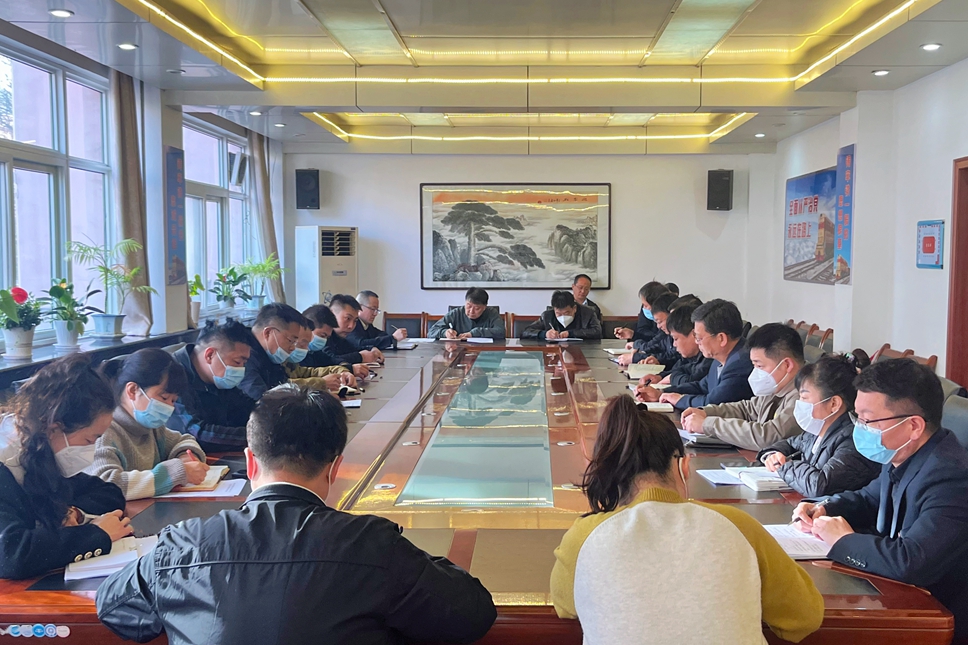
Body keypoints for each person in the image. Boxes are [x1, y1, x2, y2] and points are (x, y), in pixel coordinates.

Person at [97, 384, 497, 644]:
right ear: (335, 468)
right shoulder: (372, 545)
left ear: (250, 462)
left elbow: (112, 607)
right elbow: (471, 613)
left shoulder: (184, 545)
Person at [551, 395, 823, 643]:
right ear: (683, 466)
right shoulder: (738, 526)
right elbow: (804, 617)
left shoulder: (584, 536)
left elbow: (566, 606)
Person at [794, 359, 968, 640]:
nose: (860, 428)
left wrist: (843, 540)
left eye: (868, 420)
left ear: (913, 426)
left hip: (936, 620)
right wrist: (824, 506)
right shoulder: (903, 453)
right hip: (896, 598)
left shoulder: (951, 477)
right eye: (858, 417)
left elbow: (911, 561)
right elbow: (868, 498)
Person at [0, 355, 130, 580]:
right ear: (54, 428)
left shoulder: (45, 454)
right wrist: (95, 535)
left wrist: (73, 513)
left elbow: (109, 493)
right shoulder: (8, 462)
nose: (92, 449)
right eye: (90, 440)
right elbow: (11, 554)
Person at [88, 350, 208, 500]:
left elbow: (184, 440)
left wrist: (185, 458)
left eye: (173, 400)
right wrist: (175, 473)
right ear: (133, 390)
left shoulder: (151, 427)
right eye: (164, 397)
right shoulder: (104, 432)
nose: (169, 407)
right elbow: (107, 485)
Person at [758, 352, 879, 497]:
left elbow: (820, 485)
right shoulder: (815, 431)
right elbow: (789, 444)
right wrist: (772, 455)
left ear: (834, 404)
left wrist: (784, 466)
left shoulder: (853, 441)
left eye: (804, 397)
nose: (799, 404)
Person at [680, 323, 805, 450]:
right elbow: (747, 410)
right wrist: (705, 412)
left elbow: (768, 437)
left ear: (787, 365)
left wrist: (708, 425)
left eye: (760, 366)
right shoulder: (776, 386)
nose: (755, 372)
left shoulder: (804, 397)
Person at [169, 319, 255, 452]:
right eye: (237, 362)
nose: (241, 369)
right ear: (210, 355)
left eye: (244, 363)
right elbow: (196, 432)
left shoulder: (216, 375)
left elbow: (245, 407)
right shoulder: (171, 376)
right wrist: (258, 436)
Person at [658, 299, 753, 411]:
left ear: (721, 338)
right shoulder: (721, 357)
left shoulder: (740, 365)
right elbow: (701, 386)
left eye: (699, 338)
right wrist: (662, 393)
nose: (696, 342)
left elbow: (711, 403)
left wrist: (680, 400)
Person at [634, 304, 712, 403]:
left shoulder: (710, 358)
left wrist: (671, 378)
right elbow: (680, 369)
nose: (674, 344)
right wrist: (660, 378)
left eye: (675, 339)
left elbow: (692, 381)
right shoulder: (692, 356)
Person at [238, 303, 307, 403]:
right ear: (268, 333)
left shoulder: (269, 354)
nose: (293, 348)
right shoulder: (243, 358)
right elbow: (263, 402)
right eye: (291, 341)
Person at [302, 304, 370, 379]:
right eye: (322, 335)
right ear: (307, 328)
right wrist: (350, 368)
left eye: (327, 337)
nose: (324, 340)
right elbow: (308, 374)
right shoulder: (296, 355)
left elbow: (331, 360)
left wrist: (347, 368)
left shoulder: (313, 351)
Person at [285, 324, 356, 391]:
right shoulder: (281, 362)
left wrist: (342, 371)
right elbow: (283, 385)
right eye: (302, 344)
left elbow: (309, 372)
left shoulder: (289, 363)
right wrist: (322, 382)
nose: (307, 349)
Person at [619, 292, 680, 367]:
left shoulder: (674, 333)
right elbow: (657, 347)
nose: (658, 326)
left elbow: (674, 358)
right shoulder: (668, 335)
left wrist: (636, 357)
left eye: (660, 322)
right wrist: (641, 352)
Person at [322, 295, 385, 365]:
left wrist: (371, 349)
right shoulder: (322, 336)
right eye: (347, 318)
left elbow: (352, 348)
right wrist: (360, 357)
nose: (351, 326)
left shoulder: (339, 337)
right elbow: (329, 360)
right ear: (332, 314)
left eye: (355, 321)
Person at [427, 287, 506, 339]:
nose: (471, 311)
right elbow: (431, 332)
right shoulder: (456, 313)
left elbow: (501, 332)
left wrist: (474, 333)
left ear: (484, 307)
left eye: (477, 308)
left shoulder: (492, 313)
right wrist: (445, 333)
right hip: (457, 352)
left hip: (486, 352)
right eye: (468, 306)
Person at [522, 290, 602, 340]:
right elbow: (525, 332)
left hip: (583, 351)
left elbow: (597, 331)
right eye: (558, 313)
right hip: (554, 352)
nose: (562, 317)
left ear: (574, 308)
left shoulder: (588, 313)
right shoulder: (547, 316)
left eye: (566, 313)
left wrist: (571, 333)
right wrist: (545, 334)